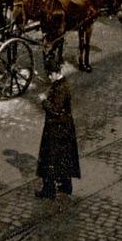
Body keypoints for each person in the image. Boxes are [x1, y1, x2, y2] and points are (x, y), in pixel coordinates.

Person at [36, 65, 80, 198]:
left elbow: (55, 109)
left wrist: (44, 101)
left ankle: (48, 190)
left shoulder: (61, 87)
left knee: (50, 159)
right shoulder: (61, 84)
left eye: (50, 74)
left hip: (57, 130)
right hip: (63, 129)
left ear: (57, 73)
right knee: (64, 158)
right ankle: (66, 186)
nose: (49, 77)